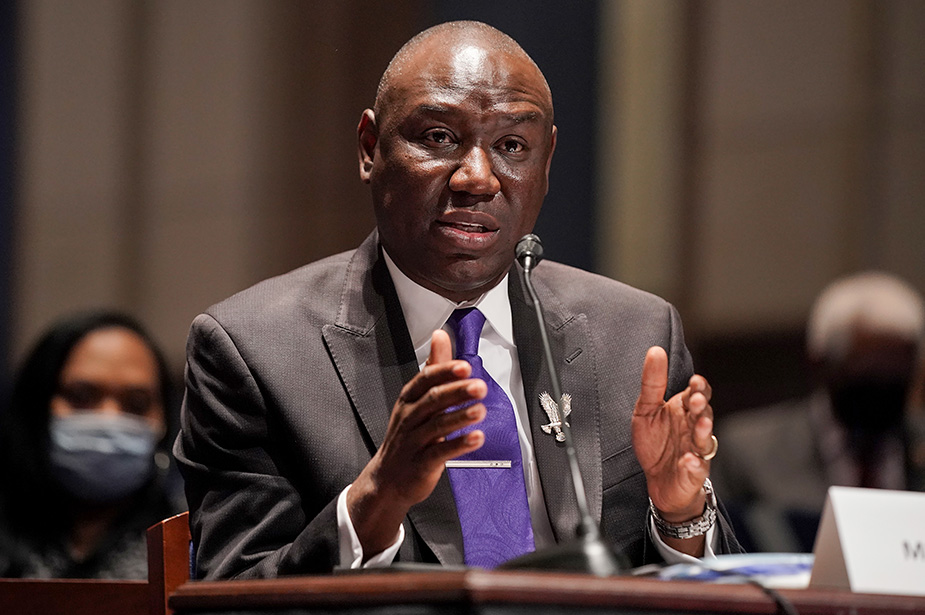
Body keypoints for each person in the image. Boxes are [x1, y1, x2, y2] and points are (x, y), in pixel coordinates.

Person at [175, 20, 742, 580]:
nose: (477, 177)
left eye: (512, 145)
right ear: (371, 148)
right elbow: (235, 592)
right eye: (439, 138)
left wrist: (680, 518)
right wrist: (378, 496)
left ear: (545, 162)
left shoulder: (635, 336)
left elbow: (718, 585)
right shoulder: (255, 351)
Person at [713, 271, 925, 553]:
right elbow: (718, 558)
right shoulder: (749, 454)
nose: (883, 387)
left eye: (896, 374)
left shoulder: (917, 446)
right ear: (819, 362)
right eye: (868, 371)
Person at [0, 311, 182, 579]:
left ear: (163, 420)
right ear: (35, 404)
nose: (109, 417)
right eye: (81, 396)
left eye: (137, 404)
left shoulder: (191, 543)